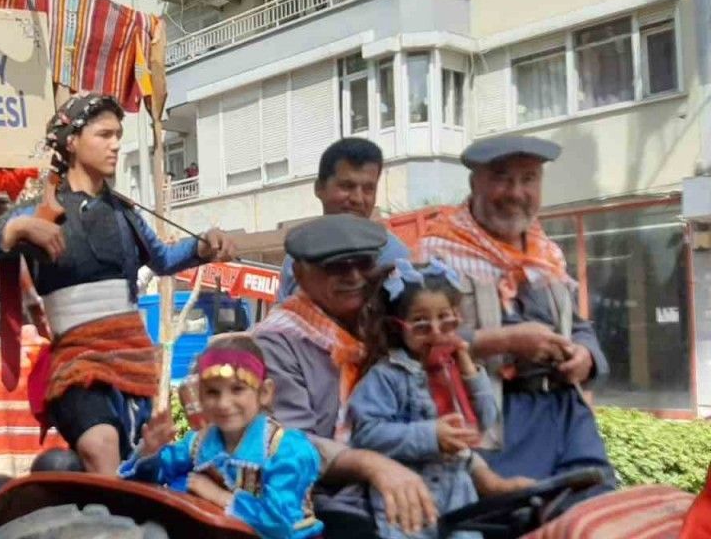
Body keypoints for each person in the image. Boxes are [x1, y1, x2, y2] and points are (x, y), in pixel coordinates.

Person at [0, 93, 235, 475]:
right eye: (104, 135)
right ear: (71, 141)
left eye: (118, 135)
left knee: (141, 462)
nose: (115, 144)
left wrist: (202, 246)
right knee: (101, 447)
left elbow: (164, 260)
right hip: (76, 362)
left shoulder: (123, 214)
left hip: (133, 361)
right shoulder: (34, 214)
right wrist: (15, 229)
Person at [254, 215, 525, 537]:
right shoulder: (277, 341)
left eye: (363, 264)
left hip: (423, 482)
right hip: (324, 499)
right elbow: (289, 442)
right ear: (300, 274)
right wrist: (373, 465)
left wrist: (486, 479)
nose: (354, 277)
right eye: (336, 267)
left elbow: (432, 416)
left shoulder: (386, 327)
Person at [418, 136, 615, 495]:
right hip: (491, 424)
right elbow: (417, 346)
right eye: (502, 178)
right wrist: (506, 342)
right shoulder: (437, 254)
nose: (516, 192)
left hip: (569, 418)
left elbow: (579, 326)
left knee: (595, 511)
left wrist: (585, 356)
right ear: (474, 183)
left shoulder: (547, 253)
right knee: (518, 514)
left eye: (528, 179)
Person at [348, 260, 527, 539]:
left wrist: (470, 371)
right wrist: (431, 435)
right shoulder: (387, 376)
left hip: (459, 491)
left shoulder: (456, 369)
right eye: (421, 325)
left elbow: (485, 420)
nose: (435, 332)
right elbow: (366, 434)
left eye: (446, 321)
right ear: (398, 327)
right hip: (408, 497)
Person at [121, 334, 323, 539]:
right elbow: (148, 482)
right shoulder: (198, 443)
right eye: (213, 392)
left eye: (237, 389)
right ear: (200, 396)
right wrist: (150, 453)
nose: (224, 404)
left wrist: (218, 496)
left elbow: (279, 524)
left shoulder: (286, 449)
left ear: (264, 392)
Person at [277, 137, 411, 301]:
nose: (358, 199)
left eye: (368, 189)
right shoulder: (297, 255)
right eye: (347, 186)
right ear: (319, 188)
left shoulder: (394, 258)